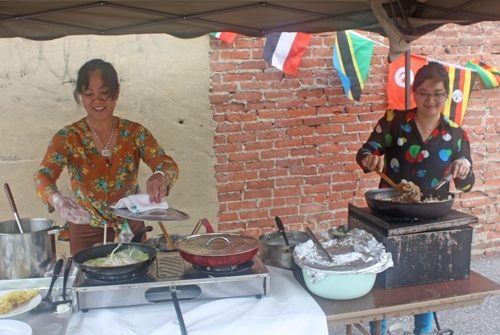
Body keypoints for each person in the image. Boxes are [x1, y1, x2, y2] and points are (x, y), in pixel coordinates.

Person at [356, 62, 475, 335]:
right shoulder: (393, 121)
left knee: (424, 279)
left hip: (431, 216)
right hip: (390, 211)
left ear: (446, 95)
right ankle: (379, 330)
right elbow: (367, 149)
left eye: (437, 93)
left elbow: (467, 184)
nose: (430, 100)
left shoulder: (456, 133)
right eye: (423, 92)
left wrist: (464, 166)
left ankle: (422, 331)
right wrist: (369, 157)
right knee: (386, 278)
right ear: (413, 92)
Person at [34, 59, 179, 255]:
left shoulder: (135, 132)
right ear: (80, 96)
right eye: (89, 94)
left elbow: (166, 163)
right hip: (85, 225)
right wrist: (57, 199)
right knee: (89, 278)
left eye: (104, 93)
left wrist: (161, 175)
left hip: (131, 223)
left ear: (116, 93)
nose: (98, 100)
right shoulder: (68, 137)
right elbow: (43, 175)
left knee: (137, 273)